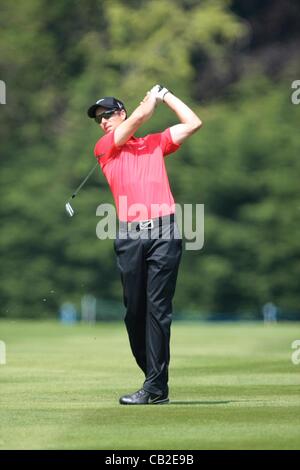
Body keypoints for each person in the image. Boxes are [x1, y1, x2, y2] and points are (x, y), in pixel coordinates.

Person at [87, 85, 202, 404]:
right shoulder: (105, 147)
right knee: (134, 312)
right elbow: (139, 117)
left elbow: (193, 123)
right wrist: (148, 104)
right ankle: (152, 374)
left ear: (119, 113)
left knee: (158, 309)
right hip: (129, 234)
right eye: (98, 119)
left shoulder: (154, 144)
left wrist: (165, 95)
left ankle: (155, 386)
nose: (103, 122)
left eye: (107, 115)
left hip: (165, 231)